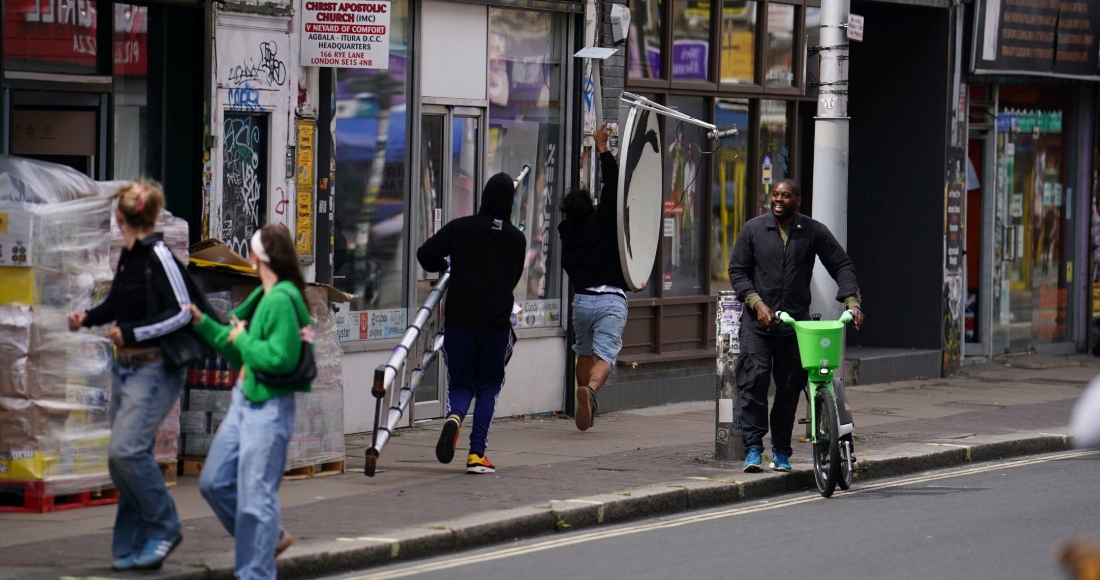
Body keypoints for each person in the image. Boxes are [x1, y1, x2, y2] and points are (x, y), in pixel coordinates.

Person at [67, 180, 193, 571]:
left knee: (126, 451)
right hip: (127, 368)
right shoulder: (130, 256)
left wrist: (133, 333)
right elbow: (120, 302)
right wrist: (89, 317)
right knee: (121, 460)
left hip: (155, 368)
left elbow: (183, 311)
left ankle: (165, 527)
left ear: (119, 216)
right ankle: (133, 543)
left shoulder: (158, 254)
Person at [188, 225, 312, 579]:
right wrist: (201, 322)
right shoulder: (263, 296)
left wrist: (242, 339)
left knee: (256, 499)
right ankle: (270, 538)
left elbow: (278, 359)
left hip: (268, 408)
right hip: (246, 402)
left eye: (252, 250)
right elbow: (234, 345)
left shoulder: (282, 298)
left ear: (260, 256)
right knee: (214, 482)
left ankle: (255, 572)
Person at [727, 179, 864, 473]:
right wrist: (755, 302)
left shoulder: (812, 231)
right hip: (757, 324)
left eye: (785, 196)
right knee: (755, 381)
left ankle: (781, 452)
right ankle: (753, 449)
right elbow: (737, 270)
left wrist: (852, 302)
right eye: (775, 194)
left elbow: (841, 265)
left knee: (789, 389)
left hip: (795, 326)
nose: (778, 199)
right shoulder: (753, 229)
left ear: (797, 201)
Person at [418, 172, 525, 474]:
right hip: (495, 326)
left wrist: (445, 267)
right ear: (509, 203)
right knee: (489, 386)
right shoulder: (516, 239)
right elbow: (513, 279)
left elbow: (425, 253)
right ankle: (476, 454)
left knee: (462, 383)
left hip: (459, 323)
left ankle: (454, 418)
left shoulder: (461, 228)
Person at [559, 123, 643, 432]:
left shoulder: (567, 234)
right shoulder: (602, 221)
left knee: (583, 349)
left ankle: (588, 408)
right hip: (611, 299)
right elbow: (613, 185)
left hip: (582, 300)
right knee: (605, 355)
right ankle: (591, 391)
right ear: (591, 207)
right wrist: (602, 147)